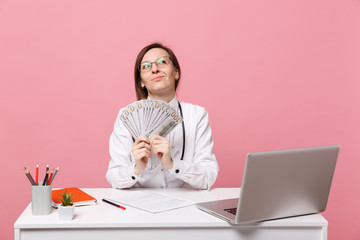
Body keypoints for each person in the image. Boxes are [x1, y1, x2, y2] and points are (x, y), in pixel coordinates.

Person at [106, 43, 219, 189]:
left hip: (183, 207)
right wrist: (136, 168)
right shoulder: (125, 116)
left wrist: (173, 164)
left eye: (162, 62)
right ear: (141, 82)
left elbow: (208, 178)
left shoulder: (197, 115)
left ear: (176, 72)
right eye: (146, 66)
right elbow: (114, 178)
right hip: (138, 207)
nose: (155, 69)